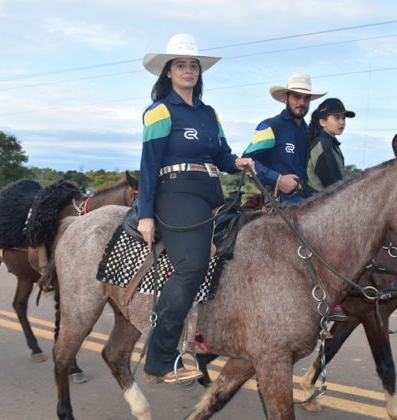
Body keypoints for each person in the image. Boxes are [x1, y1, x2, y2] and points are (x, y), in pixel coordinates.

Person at [137, 33, 254, 384]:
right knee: (192, 266)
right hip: (176, 191)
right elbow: (148, 165)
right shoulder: (160, 111)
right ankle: (159, 358)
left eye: (193, 65)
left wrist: (238, 162)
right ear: (168, 72)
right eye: (180, 65)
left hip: (210, 191)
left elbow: (222, 155)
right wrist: (146, 214)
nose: (188, 70)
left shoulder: (208, 113)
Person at [306, 97, 356, 322]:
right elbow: (334, 186)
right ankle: (331, 299)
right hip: (319, 211)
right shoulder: (323, 146)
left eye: (343, 118)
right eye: (337, 117)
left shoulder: (331, 144)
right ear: (323, 121)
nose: (342, 122)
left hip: (327, 208)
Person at [243, 73, 326, 204]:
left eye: (306, 98)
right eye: (297, 96)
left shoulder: (310, 133)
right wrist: (278, 179)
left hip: (311, 203)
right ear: (285, 98)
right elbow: (247, 161)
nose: (302, 103)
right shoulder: (270, 127)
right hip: (278, 205)